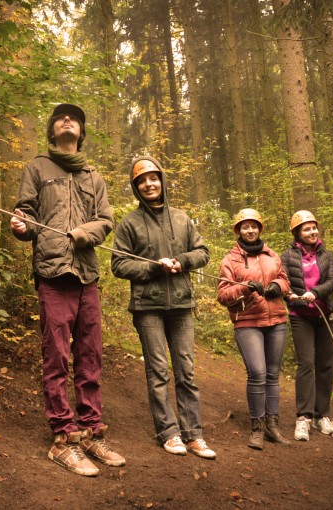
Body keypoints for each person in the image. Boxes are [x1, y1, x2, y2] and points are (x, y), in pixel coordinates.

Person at [9, 103, 124, 477]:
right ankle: (64, 437)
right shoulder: (37, 168)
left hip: (87, 276)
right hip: (52, 274)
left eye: (74, 117)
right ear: (52, 130)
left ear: (82, 131)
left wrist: (83, 234)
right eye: (60, 118)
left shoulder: (94, 176)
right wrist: (21, 226)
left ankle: (92, 431)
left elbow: (106, 220)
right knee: (56, 357)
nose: (67, 120)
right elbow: (25, 214)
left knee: (90, 358)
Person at [111, 156, 216, 460]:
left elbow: (202, 252)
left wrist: (182, 261)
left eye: (153, 178)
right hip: (148, 307)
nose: (149, 184)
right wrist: (153, 268)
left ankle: (194, 434)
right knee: (158, 371)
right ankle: (169, 432)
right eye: (141, 181)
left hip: (182, 304)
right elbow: (118, 264)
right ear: (136, 187)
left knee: (187, 371)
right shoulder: (129, 223)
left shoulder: (182, 218)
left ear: (162, 180)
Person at [217, 209, 291, 449]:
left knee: (272, 374)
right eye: (245, 227)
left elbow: (285, 279)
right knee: (257, 373)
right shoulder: (231, 260)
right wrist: (246, 288)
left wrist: (278, 286)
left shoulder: (272, 255)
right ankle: (257, 428)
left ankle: (273, 425)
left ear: (260, 228)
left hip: (277, 320)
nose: (250, 230)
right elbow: (223, 294)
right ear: (238, 230)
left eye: (254, 226)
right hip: (247, 321)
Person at [281, 210, 333, 441]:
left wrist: (315, 293)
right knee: (306, 364)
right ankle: (303, 417)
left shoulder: (327, 255)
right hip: (301, 316)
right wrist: (292, 296)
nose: (312, 231)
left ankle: (321, 415)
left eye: (314, 227)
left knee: (326, 365)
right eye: (306, 229)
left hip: (326, 316)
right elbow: (284, 281)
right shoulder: (287, 257)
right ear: (297, 233)